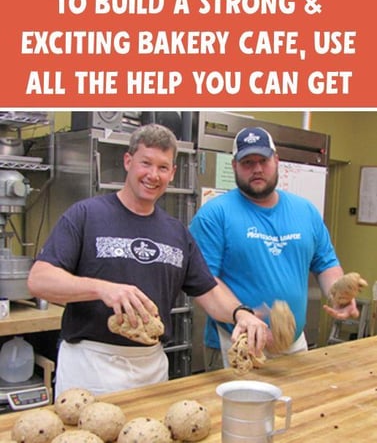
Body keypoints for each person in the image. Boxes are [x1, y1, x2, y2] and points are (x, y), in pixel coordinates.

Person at [27, 123, 266, 397]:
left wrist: (240, 314)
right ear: (128, 161)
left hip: (151, 367)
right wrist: (102, 288)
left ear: (173, 173)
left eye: (163, 167)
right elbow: (39, 280)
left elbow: (209, 291)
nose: (153, 175)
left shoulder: (176, 232)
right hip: (90, 366)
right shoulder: (85, 215)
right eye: (146, 163)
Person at [189, 126, 360, 370]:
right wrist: (243, 314)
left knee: (300, 407)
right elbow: (204, 281)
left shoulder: (305, 211)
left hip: (295, 344)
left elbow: (326, 264)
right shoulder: (214, 215)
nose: (257, 168)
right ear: (235, 166)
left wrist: (339, 296)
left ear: (276, 161)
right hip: (237, 344)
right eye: (247, 162)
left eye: (263, 160)